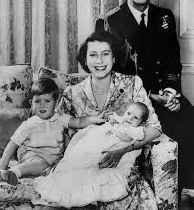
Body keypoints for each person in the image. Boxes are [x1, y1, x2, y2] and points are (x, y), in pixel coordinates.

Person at [33, 31, 164, 210]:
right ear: (85, 60)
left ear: (114, 58)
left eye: (105, 54)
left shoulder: (132, 84)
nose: (100, 61)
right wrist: (75, 127)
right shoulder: (74, 92)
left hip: (118, 172)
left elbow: (155, 128)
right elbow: (54, 122)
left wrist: (123, 149)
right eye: (93, 55)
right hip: (81, 166)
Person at [95, 0, 194, 192]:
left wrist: (171, 93)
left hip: (162, 96)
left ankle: (184, 192)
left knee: (189, 118)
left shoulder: (164, 17)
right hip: (129, 103)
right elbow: (110, 75)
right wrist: (150, 96)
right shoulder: (109, 20)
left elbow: (172, 62)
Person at [33, 102, 149, 208]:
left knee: (92, 163)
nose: (129, 118)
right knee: (83, 149)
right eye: (128, 113)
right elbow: (111, 118)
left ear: (141, 123)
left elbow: (126, 137)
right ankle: (67, 171)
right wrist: (111, 120)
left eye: (135, 118)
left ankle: (75, 186)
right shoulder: (121, 121)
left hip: (112, 147)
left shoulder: (136, 130)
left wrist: (115, 131)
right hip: (99, 141)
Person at [0, 77, 105, 186]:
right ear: (31, 103)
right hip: (32, 155)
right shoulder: (28, 124)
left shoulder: (61, 118)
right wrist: (3, 165)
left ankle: (46, 174)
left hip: (55, 158)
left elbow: (78, 122)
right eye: (37, 101)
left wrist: (94, 119)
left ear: (56, 103)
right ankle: (14, 172)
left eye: (47, 101)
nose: (42, 105)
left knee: (69, 166)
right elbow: (12, 144)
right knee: (40, 164)